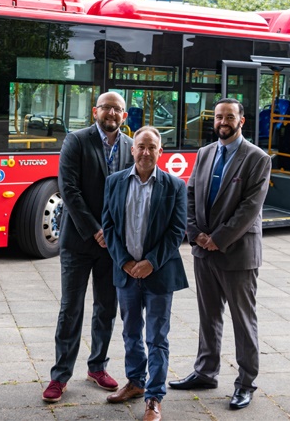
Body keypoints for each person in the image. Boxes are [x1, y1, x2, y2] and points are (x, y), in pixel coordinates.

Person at [168, 98, 271, 410]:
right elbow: (189, 193)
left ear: (241, 121)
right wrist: (195, 232)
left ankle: (246, 383)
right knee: (208, 316)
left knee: (243, 320)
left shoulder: (257, 158)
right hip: (204, 251)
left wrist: (219, 238)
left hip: (237, 253)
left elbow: (250, 208)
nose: (223, 122)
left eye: (229, 117)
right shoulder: (205, 153)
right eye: (218, 117)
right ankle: (205, 371)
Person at [42, 92, 135, 403]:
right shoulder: (76, 140)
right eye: (106, 107)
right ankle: (60, 375)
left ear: (124, 115)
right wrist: (96, 230)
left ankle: (97, 366)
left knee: (107, 309)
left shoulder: (128, 146)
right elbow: (68, 188)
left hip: (113, 246)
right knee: (71, 308)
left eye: (117, 109)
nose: (111, 113)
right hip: (79, 241)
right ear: (96, 111)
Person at [101, 126, 187, 421]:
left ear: (160, 152)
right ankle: (136, 382)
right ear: (132, 150)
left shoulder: (175, 186)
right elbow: (108, 226)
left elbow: (177, 231)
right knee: (130, 332)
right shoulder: (113, 182)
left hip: (159, 274)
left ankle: (153, 397)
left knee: (157, 337)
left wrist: (150, 261)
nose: (146, 152)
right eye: (141, 146)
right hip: (125, 273)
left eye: (152, 147)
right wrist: (124, 261)